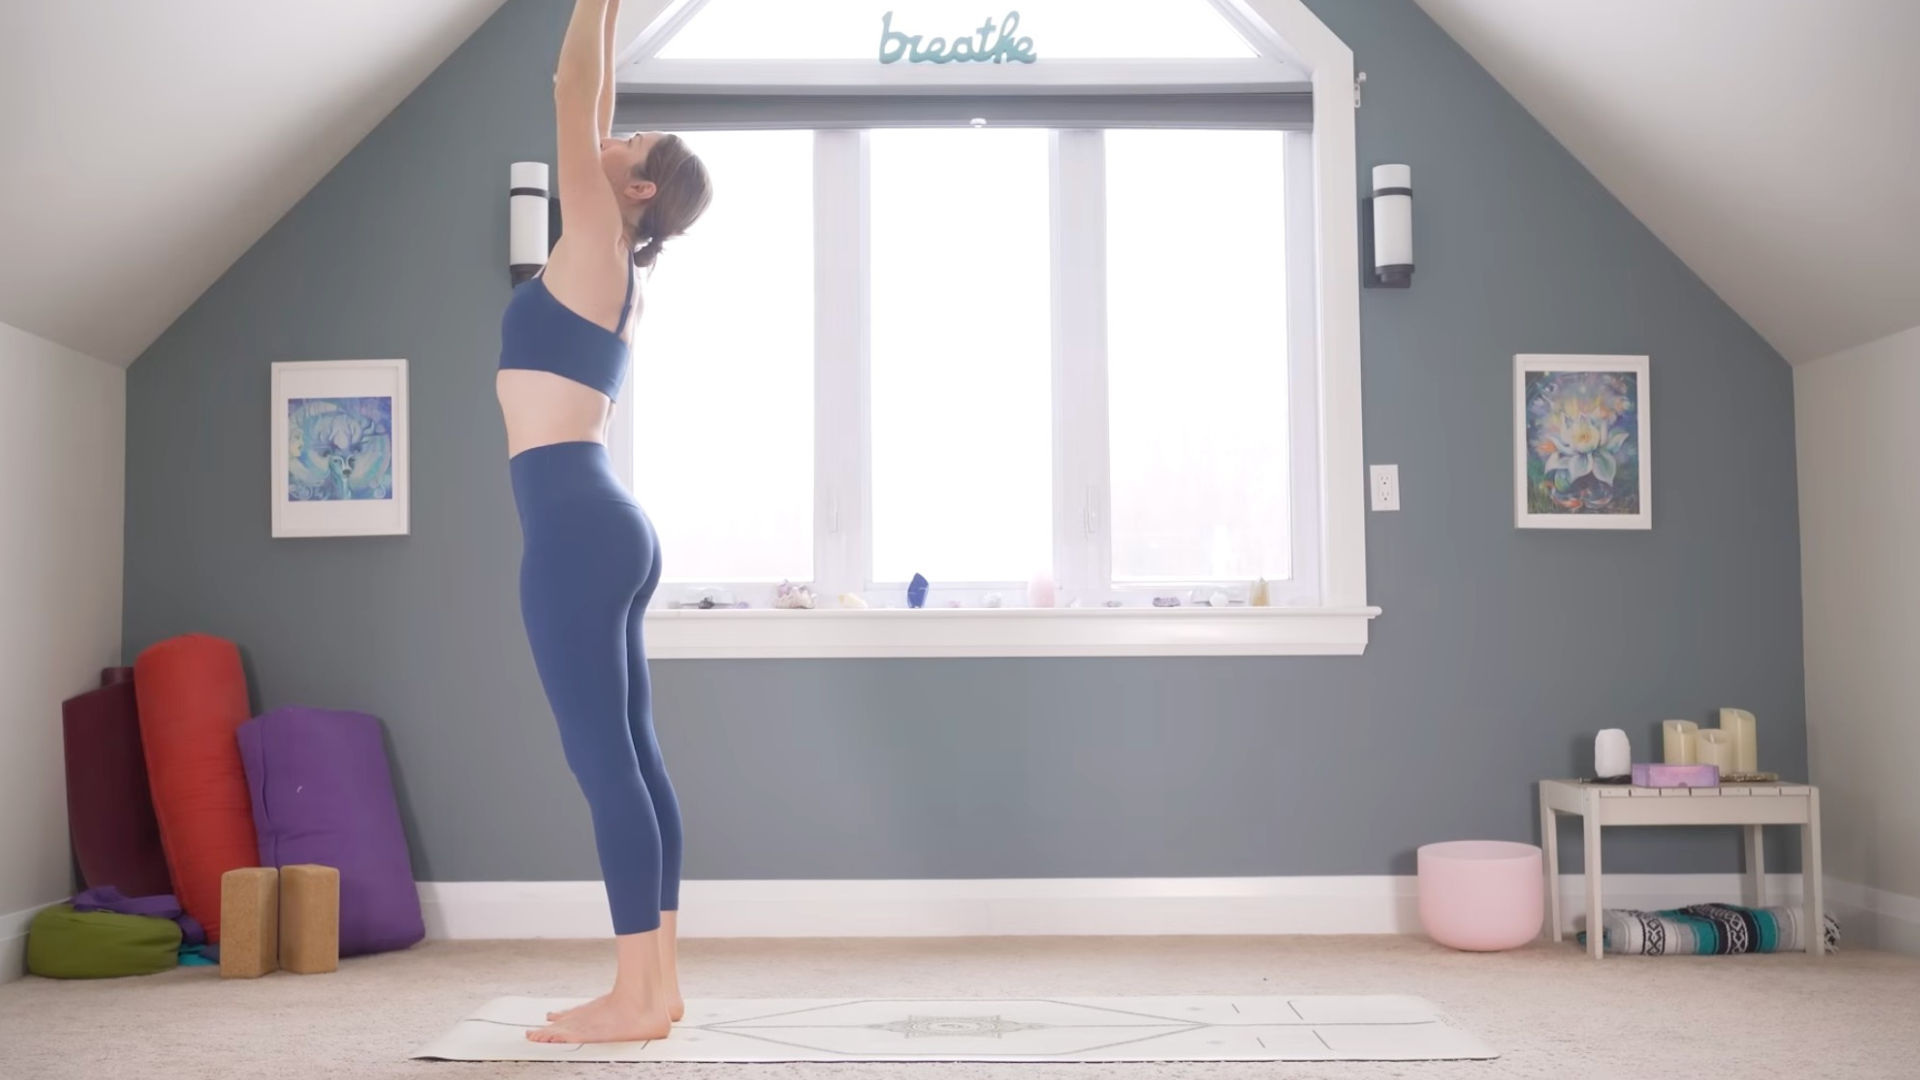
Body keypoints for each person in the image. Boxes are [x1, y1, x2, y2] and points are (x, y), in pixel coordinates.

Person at [496, 0, 712, 1045]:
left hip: (576, 527)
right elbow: (596, 106)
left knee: (603, 762)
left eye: (630, 145)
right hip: (607, 520)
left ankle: (632, 999)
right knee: (634, 757)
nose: (610, 137)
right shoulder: (612, 260)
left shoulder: (593, 235)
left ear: (635, 187)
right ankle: (658, 985)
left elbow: (570, 92)